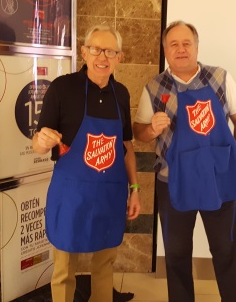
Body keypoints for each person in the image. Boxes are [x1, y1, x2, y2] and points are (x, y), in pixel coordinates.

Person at [133, 20, 236, 302]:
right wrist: (152, 129)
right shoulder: (154, 87)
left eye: (187, 43)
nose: (181, 49)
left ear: (197, 47)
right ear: (165, 51)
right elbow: (138, 133)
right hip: (174, 183)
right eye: (173, 44)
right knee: (175, 254)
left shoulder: (220, 77)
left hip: (219, 181)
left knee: (227, 251)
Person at [32, 25, 141, 302]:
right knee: (64, 269)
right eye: (95, 49)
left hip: (109, 194)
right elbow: (38, 141)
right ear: (84, 52)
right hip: (71, 195)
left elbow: (126, 146)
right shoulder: (62, 88)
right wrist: (42, 142)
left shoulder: (122, 94)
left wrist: (135, 188)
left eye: (110, 51)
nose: (102, 57)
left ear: (120, 57)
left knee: (104, 265)